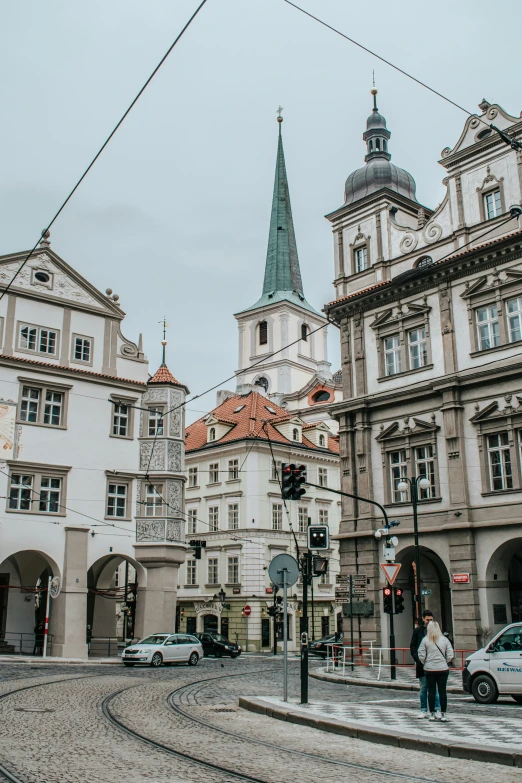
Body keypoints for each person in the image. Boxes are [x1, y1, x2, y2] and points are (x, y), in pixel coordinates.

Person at [418, 620, 454, 722]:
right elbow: (450, 654)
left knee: (431, 691)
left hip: (429, 669)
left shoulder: (425, 640)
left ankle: (432, 713)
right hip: (443, 668)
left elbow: (421, 654)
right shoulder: (444, 640)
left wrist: (426, 662)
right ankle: (443, 714)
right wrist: (445, 661)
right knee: (442, 691)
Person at [410, 609, 440, 718]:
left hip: (433, 664)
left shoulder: (436, 631)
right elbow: (412, 645)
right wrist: (416, 658)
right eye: (427, 620)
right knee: (423, 688)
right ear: (423, 619)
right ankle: (423, 709)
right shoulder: (418, 631)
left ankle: (436, 709)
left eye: (431, 620)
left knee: (434, 688)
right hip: (422, 664)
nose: (429, 622)